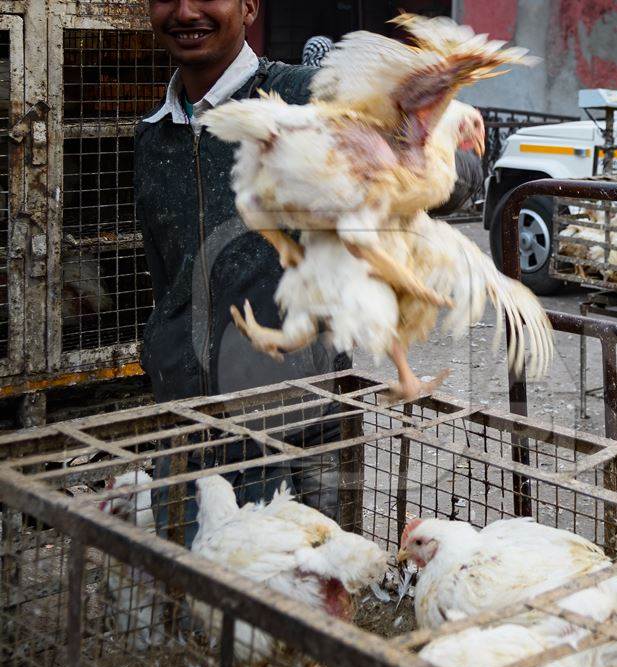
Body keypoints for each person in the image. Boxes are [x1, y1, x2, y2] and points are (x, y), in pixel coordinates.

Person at [136, 0, 482, 543]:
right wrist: (163, 350)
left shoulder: (307, 93)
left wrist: (433, 146)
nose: (185, 11)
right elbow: (164, 275)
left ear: (249, 6)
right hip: (186, 421)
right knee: (190, 595)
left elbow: (454, 178)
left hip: (299, 422)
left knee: (305, 601)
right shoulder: (153, 135)